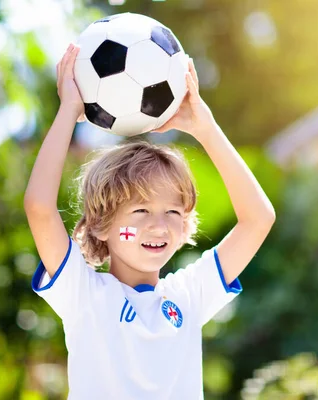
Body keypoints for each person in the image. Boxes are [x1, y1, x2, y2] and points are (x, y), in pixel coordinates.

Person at [24, 42, 275, 399]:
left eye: (173, 212)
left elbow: (258, 219)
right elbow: (39, 207)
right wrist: (69, 110)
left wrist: (206, 128)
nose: (158, 226)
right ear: (100, 224)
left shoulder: (188, 295)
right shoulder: (84, 295)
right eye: (140, 211)